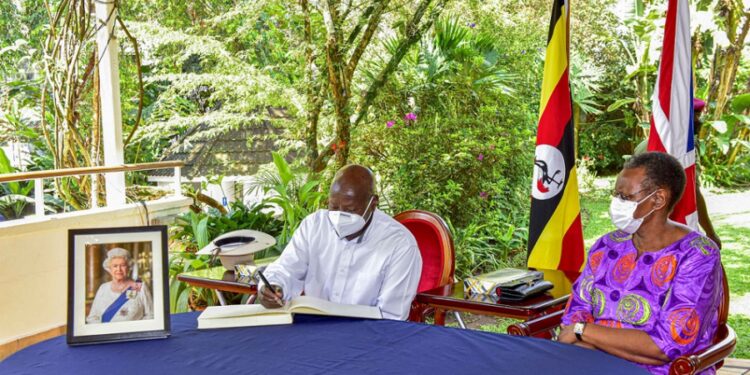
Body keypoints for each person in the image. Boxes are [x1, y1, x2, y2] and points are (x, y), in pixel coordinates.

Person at [558, 152, 723, 375]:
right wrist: (582, 334)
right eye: (615, 194)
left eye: (625, 197)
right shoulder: (607, 245)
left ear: (658, 199)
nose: (616, 203)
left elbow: (665, 347)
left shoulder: (696, 255)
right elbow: (575, 313)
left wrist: (583, 332)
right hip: (590, 361)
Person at [258, 164, 423, 320]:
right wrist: (274, 287)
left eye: (350, 210)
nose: (340, 215)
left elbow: (391, 316)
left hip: (366, 337)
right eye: (334, 207)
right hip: (313, 329)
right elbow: (287, 268)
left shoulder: (400, 245)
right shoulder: (314, 225)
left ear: (372, 204)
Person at [633, 98, 721, 248]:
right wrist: (710, 233)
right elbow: (693, 192)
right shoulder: (685, 152)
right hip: (673, 229)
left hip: (644, 229)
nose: (699, 120)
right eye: (695, 115)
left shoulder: (644, 145)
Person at [86, 248, 154, 323]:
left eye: (123, 265)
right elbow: (92, 318)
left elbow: (150, 315)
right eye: (115, 266)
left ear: (129, 267)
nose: (119, 269)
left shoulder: (140, 287)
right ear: (109, 269)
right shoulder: (103, 288)